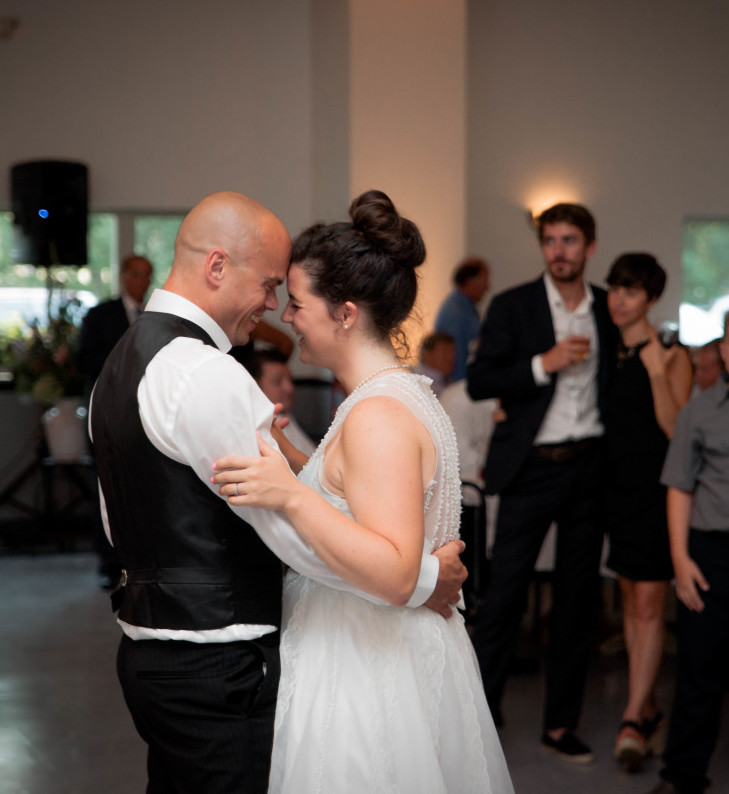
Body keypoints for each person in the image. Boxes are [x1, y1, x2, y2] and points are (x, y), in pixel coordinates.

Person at [89, 191, 466, 794]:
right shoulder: (206, 372)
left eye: (291, 298)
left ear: (344, 312)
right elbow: (289, 535)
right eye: (270, 288)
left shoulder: (124, 359)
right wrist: (422, 580)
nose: (276, 311)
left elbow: (122, 520)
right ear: (216, 267)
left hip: (165, 646)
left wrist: (297, 478)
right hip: (222, 661)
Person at [212, 190, 513, 793]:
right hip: (380, 647)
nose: (287, 317)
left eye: (298, 304)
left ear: (345, 313)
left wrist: (291, 495)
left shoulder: (377, 415)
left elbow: (398, 571)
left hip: (369, 664)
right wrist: (299, 461)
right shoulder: (401, 396)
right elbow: (361, 495)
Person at [467, 202, 617, 763]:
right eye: (550, 240)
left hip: (589, 468)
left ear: (589, 247)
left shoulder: (607, 309)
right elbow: (481, 381)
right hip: (530, 469)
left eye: (570, 240)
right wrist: (541, 363)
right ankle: (479, 714)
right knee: (504, 596)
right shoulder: (513, 305)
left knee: (576, 605)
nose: (559, 250)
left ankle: (561, 725)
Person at [602, 253, 693, 771]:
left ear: (651, 299)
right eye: (615, 288)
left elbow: (675, 431)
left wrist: (658, 374)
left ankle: (634, 715)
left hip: (656, 494)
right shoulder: (609, 349)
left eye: (631, 291)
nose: (619, 299)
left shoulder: (669, 352)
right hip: (616, 492)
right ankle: (649, 705)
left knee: (649, 606)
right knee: (631, 600)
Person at [646, 312, 729, 794]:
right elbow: (679, 487)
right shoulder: (700, 411)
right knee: (699, 670)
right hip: (710, 554)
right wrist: (680, 560)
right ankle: (682, 776)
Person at [76, 253, 153, 588]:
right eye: (135, 274)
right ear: (123, 277)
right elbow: (84, 360)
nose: (141, 281)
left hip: (145, 415)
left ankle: (140, 558)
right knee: (105, 486)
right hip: (108, 411)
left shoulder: (154, 317)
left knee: (143, 484)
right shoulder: (101, 314)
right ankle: (109, 563)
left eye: (147, 275)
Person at [246, 348, 317, 455]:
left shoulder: (286, 416)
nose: (290, 388)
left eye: (290, 379)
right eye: (278, 381)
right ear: (256, 386)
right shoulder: (260, 427)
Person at [435, 257, 490, 381]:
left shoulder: (464, 308)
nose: (487, 287)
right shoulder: (456, 312)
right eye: (485, 280)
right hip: (459, 384)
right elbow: (455, 360)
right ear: (471, 281)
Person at [412, 330, 456, 396]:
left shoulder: (449, 382)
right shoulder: (417, 383)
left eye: (452, 351)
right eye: (445, 351)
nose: (450, 357)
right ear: (427, 355)